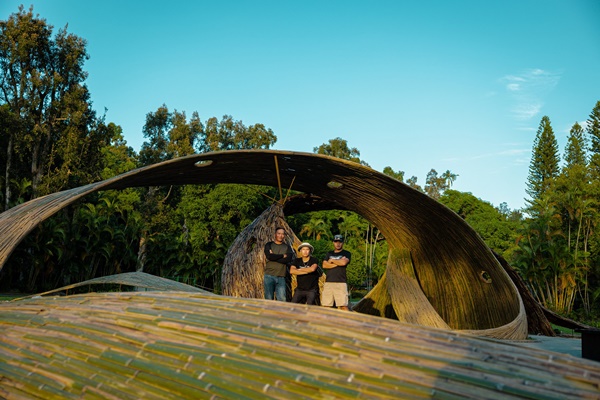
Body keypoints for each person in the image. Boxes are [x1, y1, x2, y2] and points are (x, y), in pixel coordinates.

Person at [321, 234, 351, 310]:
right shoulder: (329, 253)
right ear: (333, 242)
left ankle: (345, 321)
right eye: (336, 242)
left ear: (343, 243)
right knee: (326, 305)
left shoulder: (346, 253)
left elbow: (344, 263)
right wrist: (338, 262)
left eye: (340, 242)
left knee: (343, 305)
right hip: (329, 282)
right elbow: (324, 265)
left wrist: (332, 261)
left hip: (341, 282)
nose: (338, 244)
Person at [263, 227, 294, 301]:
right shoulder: (269, 245)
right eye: (279, 233)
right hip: (269, 276)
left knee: (282, 299)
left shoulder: (287, 247)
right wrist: (282, 255)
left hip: (281, 277)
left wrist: (274, 257)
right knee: (268, 299)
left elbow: (287, 260)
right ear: (275, 234)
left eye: (282, 234)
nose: (281, 236)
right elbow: (269, 256)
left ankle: (280, 313)